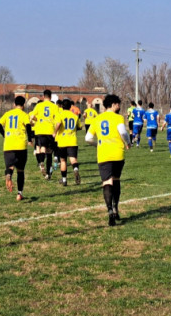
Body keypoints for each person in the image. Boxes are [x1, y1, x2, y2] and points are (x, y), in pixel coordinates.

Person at [85, 94, 131, 226]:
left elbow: (88, 138)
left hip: (103, 154)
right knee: (116, 180)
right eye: (118, 104)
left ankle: (110, 210)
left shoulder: (97, 119)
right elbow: (122, 132)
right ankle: (116, 208)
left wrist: (97, 144)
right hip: (118, 153)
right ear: (113, 104)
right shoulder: (118, 118)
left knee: (107, 182)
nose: (119, 106)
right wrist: (128, 142)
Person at [0, 96, 34, 201]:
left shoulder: (8, 114)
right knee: (20, 170)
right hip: (21, 145)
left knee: (10, 166)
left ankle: (8, 174)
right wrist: (30, 139)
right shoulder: (24, 115)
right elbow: (28, 127)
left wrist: (4, 135)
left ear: (14, 104)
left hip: (8, 144)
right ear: (24, 105)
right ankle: (19, 194)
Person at [29, 90, 61, 180]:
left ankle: (41, 162)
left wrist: (35, 120)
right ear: (50, 97)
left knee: (42, 148)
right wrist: (55, 131)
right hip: (50, 131)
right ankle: (48, 174)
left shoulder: (39, 105)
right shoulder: (54, 107)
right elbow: (58, 121)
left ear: (43, 96)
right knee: (49, 153)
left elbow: (32, 116)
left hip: (39, 131)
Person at [56, 99, 82, 186]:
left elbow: (59, 124)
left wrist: (55, 132)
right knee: (73, 159)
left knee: (63, 160)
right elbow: (80, 127)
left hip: (62, 141)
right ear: (70, 107)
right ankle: (75, 169)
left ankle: (64, 180)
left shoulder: (60, 114)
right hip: (72, 140)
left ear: (62, 106)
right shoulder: (75, 116)